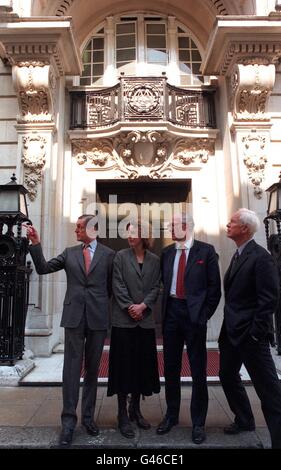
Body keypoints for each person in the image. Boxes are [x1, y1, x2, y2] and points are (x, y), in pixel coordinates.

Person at [26, 215, 115, 446]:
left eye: (79, 227)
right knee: (71, 369)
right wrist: (35, 244)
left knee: (93, 369)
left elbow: (112, 288)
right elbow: (44, 268)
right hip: (74, 316)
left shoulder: (109, 255)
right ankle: (68, 422)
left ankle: (88, 418)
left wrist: (105, 310)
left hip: (97, 318)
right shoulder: (69, 252)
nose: (75, 230)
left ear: (92, 229)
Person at [219, 208, 281, 449]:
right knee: (226, 375)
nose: (227, 224)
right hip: (231, 333)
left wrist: (256, 333)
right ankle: (244, 419)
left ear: (244, 228)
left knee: (269, 392)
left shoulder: (261, 257)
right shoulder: (237, 255)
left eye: (232, 222)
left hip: (251, 337)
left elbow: (269, 300)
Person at [156, 213, 221, 444]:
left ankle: (198, 423)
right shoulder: (166, 253)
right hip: (172, 313)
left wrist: (203, 316)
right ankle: (171, 415)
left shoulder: (206, 251)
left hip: (194, 317)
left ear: (186, 226)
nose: (169, 229)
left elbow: (215, 289)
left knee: (197, 370)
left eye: (172, 225)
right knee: (170, 368)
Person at [107, 221, 161, 439]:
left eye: (134, 232)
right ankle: (122, 414)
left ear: (144, 235)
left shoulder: (155, 260)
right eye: (128, 232)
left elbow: (157, 286)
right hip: (124, 321)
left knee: (141, 366)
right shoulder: (120, 256)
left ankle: (135, 409)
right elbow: (117, 284)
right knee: (123, 367)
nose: (130, 236)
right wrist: (131, 307)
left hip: (145, 321)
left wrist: (143, 306)